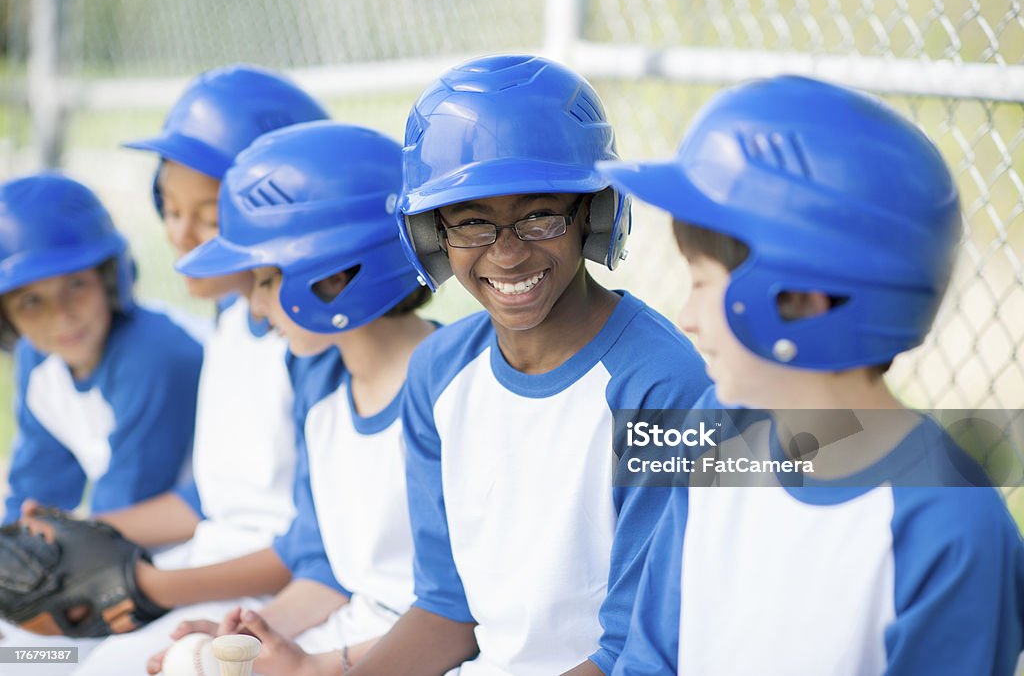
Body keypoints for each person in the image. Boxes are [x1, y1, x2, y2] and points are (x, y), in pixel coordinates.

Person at [597, 75, 1024, 674]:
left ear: (798, 300)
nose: (686, 319)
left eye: (700, 284)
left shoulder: (949, 528)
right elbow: (650, 660)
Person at [319, 54, 708, 676]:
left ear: (592, 215)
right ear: (433, 235)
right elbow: (448, 610)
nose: (506, 253)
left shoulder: (660, 384)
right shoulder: (439, 372)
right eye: (472, 222)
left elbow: (637, 653)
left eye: (538, 216)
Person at [52, 65, 328, 675]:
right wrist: (77, 532)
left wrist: (149, 587)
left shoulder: (311, 346)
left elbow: (310, 549)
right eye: (170, 208)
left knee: (101, 668)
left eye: (207, 216)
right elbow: (214, 497)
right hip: (199, 567)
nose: (179, 236)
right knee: (24, 652)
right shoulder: (231, 320)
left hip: (266, 602)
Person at [143, 120, 434, 676]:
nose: (255, 308)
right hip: (347, 640)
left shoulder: (449, 387)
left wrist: (316, 665)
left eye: (266, 281)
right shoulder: (323, 388)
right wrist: (256, 635)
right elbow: (325, 570)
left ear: (336, 273)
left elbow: (459, 612)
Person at [0, 173, 202, 524]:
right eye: (31, 302)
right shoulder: (38, 359)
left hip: (214, 543)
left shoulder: (153, 354)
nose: (62, 317)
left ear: (110, 277)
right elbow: (37, 490)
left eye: (76, 285)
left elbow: (123, 511)